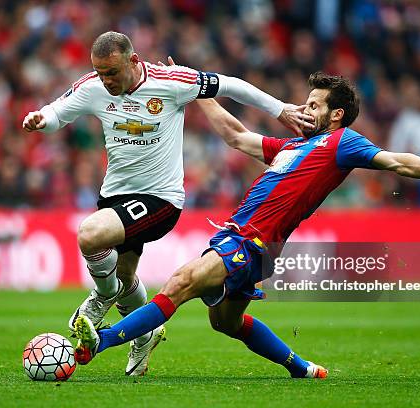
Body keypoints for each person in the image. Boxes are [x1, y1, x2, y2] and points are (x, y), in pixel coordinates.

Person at [72, 70, 420, 379]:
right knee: (226, 323)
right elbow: (236, 136)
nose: (305, 109)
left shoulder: (343, 142)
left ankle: (102, 341)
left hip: (252, 242)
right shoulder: (291, 145)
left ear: (336, 114)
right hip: (237, 236)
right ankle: (301, 368)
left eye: (314, 105)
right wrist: (198, 92)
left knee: (181, 282)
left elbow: (396, 161)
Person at [22, 32, 312, 376]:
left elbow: (231, 84)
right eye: (100, 73)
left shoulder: (171, 82)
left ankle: (102, 296)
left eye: (112, 72)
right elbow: (58, 112)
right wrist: (41, 119)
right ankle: (145, 334)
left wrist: (281, 110)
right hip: (116, 194)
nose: (106, 80)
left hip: (161, 199)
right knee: (127, 278)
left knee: (89, 235)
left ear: (133, 61)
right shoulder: (93, 87)